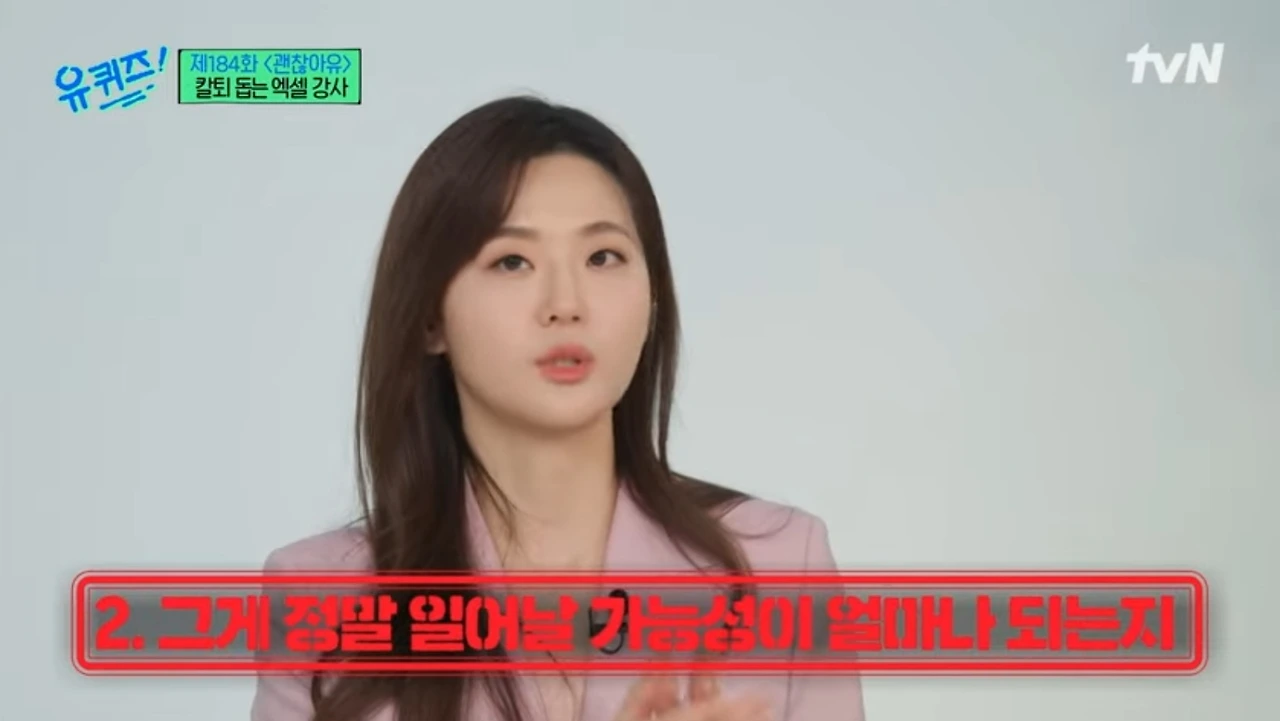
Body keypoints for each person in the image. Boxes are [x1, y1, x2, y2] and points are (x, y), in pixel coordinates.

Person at [249, 95, 865, 721]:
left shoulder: (781, 562)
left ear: (653, 297)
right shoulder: (317, 597)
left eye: (603, 257)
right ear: (430, 317)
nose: (566, 304)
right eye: (512, 261)